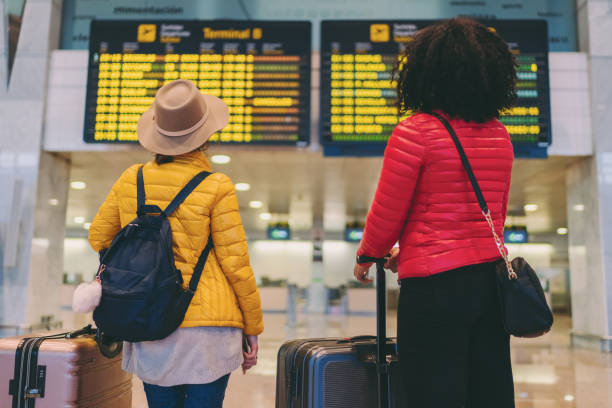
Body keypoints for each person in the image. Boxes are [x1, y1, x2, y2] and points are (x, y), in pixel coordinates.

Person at [353, 18, 517, 408]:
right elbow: (493, 214)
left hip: (434, 291)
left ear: (426, 72)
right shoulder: (499, 133)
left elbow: (388, 211)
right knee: (489, 390)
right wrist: (407, 252)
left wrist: (369, 255)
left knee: (433, 391)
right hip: (490, 286)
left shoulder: (417, 131)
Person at [89, 79, 264, 408]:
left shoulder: (132, 178)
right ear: (205, 136)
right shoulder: (216, 185)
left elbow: (99, 236)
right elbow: (236, 264)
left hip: (147, 317)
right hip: (209, 330)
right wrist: (252, 326)